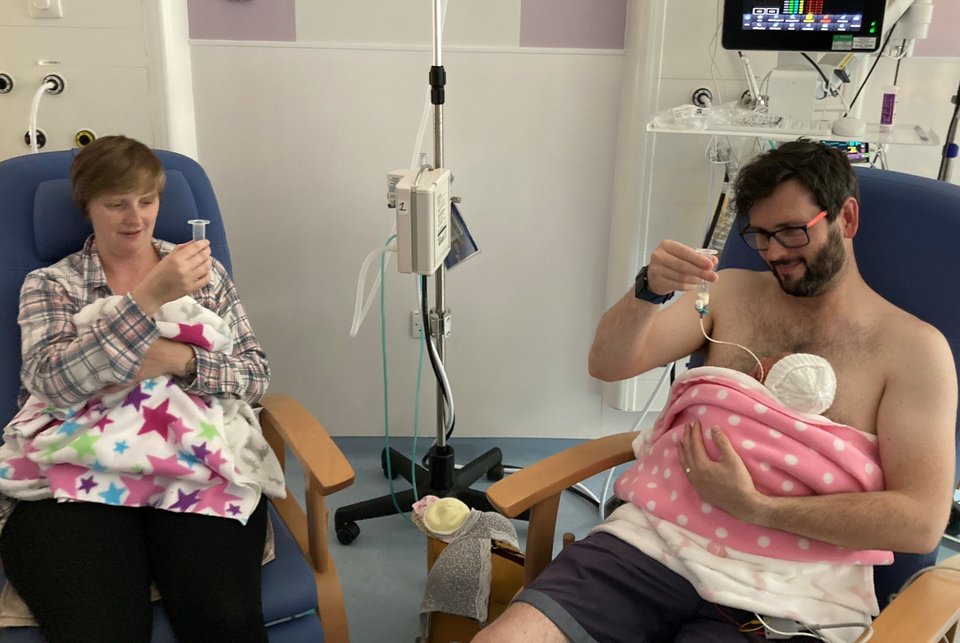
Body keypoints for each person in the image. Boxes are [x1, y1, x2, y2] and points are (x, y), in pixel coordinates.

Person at [475, 140, 957, 642]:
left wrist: (757, 508)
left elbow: (920, 522)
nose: (774, 254)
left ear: (847, 218)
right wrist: (648, 291)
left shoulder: (913, 351)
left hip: (789, 588)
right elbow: (609, 364)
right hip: (652, 544)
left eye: (792, 232)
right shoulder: (729, 294)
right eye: (760, 236)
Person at [0, 136, 285, 642]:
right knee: (101, 630)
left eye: (147, 201)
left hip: (193, 460)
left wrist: (178, 360)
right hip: (76, 463)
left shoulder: (203, 273)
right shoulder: (51, 284)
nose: (134, 218)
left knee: (224, 619)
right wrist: (149, 298)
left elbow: (254, 374)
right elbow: (52, 382)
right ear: (86, 206)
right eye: (115, 204)